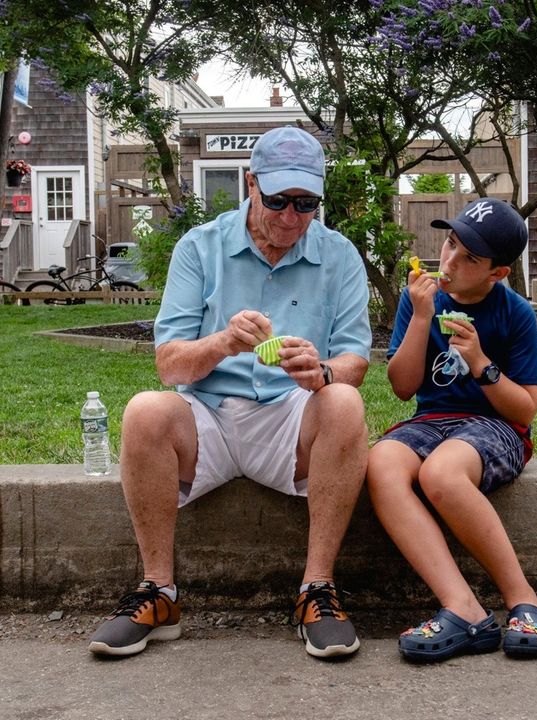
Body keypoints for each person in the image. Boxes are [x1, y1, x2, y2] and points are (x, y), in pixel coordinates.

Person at [88, 126, 372, 661]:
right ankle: (159, 592)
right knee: (145, 410)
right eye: (278, 201)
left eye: (306, 203)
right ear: (251, 183)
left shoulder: (340, 256)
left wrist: (322, 372)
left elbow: (354, 361)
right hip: (209, 418)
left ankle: (317, 590)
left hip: (290, 418)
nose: (291, 217)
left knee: (344, 401)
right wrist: (221, 343)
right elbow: (168, 365)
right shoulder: (200, 247)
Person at [366, 197, 537, 663]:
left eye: (470, 258)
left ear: (498, 273)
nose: (450, 261)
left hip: (495, 426)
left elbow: (526, 411)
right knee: (381, 463)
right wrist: (422, 316)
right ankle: (463, 607)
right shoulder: (421, 303)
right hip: (431, 420)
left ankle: (524, 598)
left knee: (442, 473)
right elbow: (402, 388)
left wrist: (480, 363)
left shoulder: (515, 314)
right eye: (450, 244)